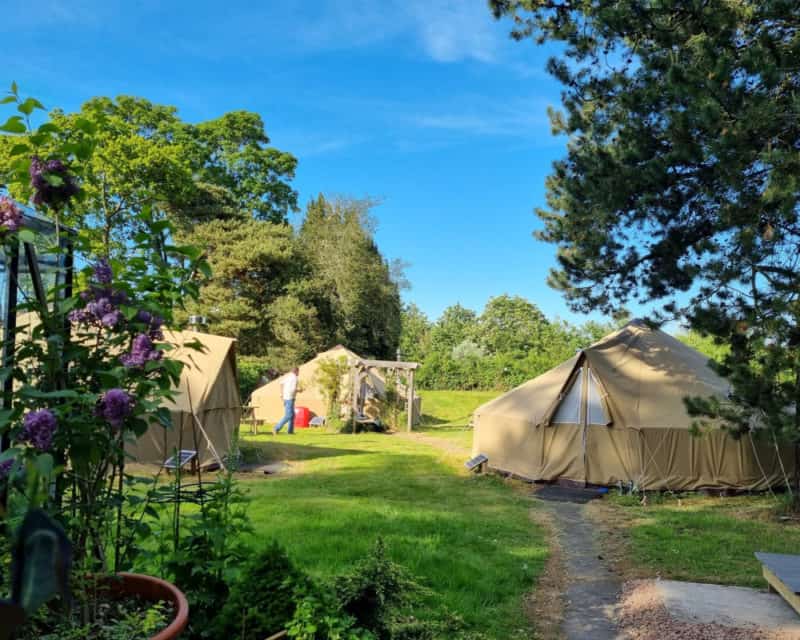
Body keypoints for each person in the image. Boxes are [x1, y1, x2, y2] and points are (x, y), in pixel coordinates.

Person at [273, 366, 299, 435]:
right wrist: (299, 390)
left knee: (292, 415)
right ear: (296, 371)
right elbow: (293, 390)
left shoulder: (288, 376)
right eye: (298, 372)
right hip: (290, 398)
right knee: (289, 415)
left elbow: (281, 383)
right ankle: (276, 428)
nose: (298, 373)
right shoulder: (295, 378)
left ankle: (290, 431)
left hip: (286, 397)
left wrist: (281, 394)